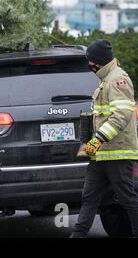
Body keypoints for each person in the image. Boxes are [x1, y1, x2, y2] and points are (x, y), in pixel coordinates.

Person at [71, 39, 138, 238]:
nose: (89, 66)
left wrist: (97, 139)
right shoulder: (105, 80)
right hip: (100, 155)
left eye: (91, 61)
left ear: (98, 61)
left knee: (127, 199)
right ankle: (78, 235)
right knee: (89, 198)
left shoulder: (118, 79)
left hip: (117, 155)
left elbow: (121, 115)